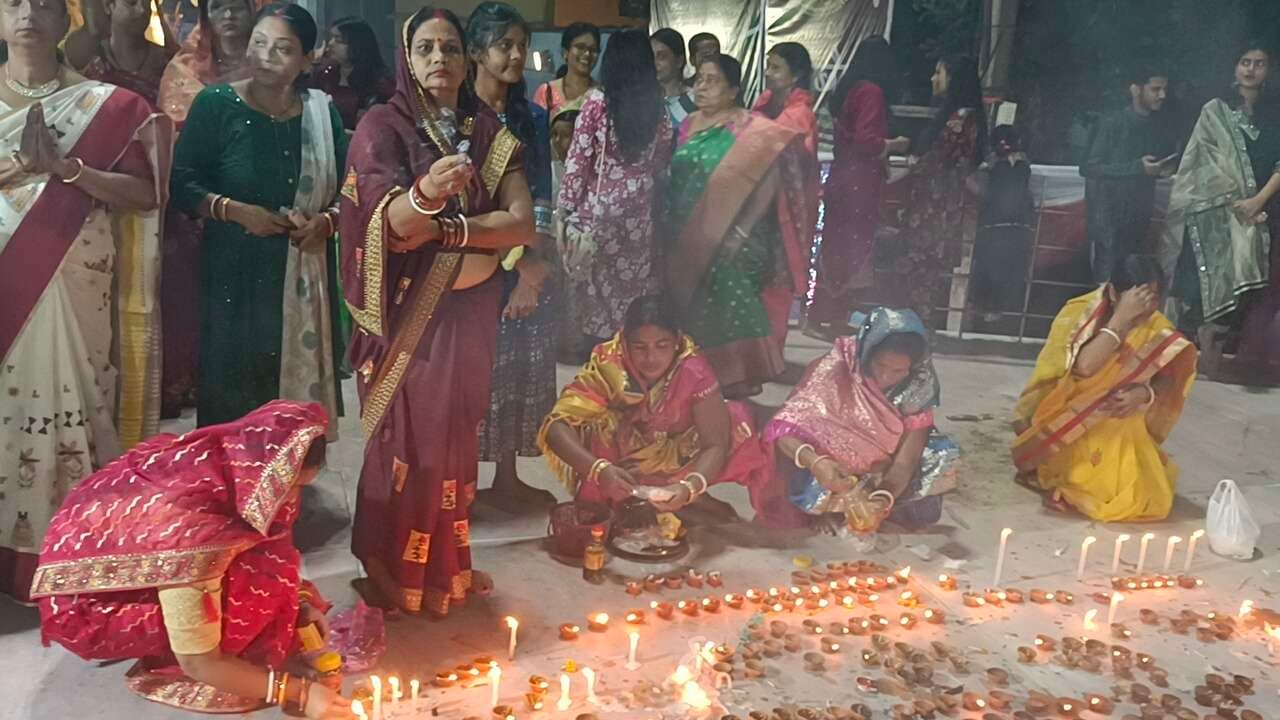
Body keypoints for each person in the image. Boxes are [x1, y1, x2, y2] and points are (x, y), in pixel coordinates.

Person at [341, 6, 534, 616]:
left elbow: (520, 224)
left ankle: (446, 564)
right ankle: (388, 566)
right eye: (425, 48)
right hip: (411, 325)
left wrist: (448, 231)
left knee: (455, 440)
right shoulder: (382, 127)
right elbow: (390, 227)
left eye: (450, 48)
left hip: (470, 319)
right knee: (410, 445)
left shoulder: (491, 134)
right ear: (407, 57)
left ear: (467, 57)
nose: (440, 60)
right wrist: (425, 195)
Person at [33, 401, 351, 718]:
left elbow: (275, 550)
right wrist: (299, 692)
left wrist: (299, 602)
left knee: (263, 563)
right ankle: (172, 662)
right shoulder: (192, 539)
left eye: (302, 487)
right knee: (240, 605)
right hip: (88, 601)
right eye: (292, 487)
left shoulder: (241, 467)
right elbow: (199, 663)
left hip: (136, 543)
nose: (294, 499)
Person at [0, 0, 167, 603]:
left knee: (78, 395)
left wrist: (67, 169)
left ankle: (72, 553)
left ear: (66, 17)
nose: (28, 14)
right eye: (14, 2)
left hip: (76, 278)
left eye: (43, 3)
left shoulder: (111, 106)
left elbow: (145, 195)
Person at [169, 3, 347, 432]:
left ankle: (286, 483)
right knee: (233, 392)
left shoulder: (323, 114)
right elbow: (181, 184)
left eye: (283, 48)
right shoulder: (216, 105)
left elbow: (349, 192)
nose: (266, 56)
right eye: (260, 43)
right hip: (234, 275)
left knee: (286, 401)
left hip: (303, 269)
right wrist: (235, 211)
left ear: (307, 59)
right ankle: (230, 486)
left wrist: (325, 223)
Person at [665, 53, 813, 398]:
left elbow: (769, 182)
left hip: (736, 236)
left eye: (711, 80)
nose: (701, 86)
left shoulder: (751, 127)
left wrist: (741, 231)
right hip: (687, 233)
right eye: (698, 79)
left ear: (733, 89)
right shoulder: (687, 124)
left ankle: (738, 376)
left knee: (732, 306)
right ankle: (698, 378)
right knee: (692, 308)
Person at [539, 296, 769, 514]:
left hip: (673, 448)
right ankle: (612, 500)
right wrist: (598, 470)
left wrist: (690, 487)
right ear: (625, 342)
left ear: (677, 341)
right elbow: (557, 427)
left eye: (662, 345)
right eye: (640, 347)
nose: (651, 358)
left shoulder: (693, 371)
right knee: (601, 424)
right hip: (619, 454)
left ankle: (685, 496)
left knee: (735, 420)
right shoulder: (610, 366)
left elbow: (715, 444)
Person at [1013, 256, 1197, 522]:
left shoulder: (1156, 327)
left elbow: (1167, 377)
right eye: (1139, 298)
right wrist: (1120, 321)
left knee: (1151, 498)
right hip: (1067, 420)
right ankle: (1063, 484)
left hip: (1120, 423)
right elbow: (1084, 368)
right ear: (1112, 292)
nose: (1146, 308)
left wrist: (1144, 394)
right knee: (1103, 490)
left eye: (1153, 298)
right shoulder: (1079, 314)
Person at [467, 1, 559, 510]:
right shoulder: (456, 115)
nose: (518, 54)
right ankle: (460, 480)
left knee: (522, 361)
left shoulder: (532, 117)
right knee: (475, 368)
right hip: (470, 258)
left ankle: (506, 476)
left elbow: (541, 196)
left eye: (522, 45)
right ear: (478, 51)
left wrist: (531, 269)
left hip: (525, 259)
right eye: (505, 45)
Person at [156, 0, 263, 419]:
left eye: (238, 6)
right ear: (206, 17)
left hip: (266, 203)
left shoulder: (272, 63)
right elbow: (174, 141)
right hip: (198, 209)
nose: (230, 16)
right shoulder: (184, 70)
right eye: (219, 7)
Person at [763, 307, 960, 533]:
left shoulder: (919, 384)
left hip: (882, 468)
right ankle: (826, 511)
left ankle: (878, 512)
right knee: (791, 455)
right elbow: (783, 429)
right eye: (881, 365)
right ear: (867, 352)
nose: (886, 377)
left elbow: (907, 460)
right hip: (833, 468)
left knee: (941, 455)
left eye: (898, 371)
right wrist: (816, 464)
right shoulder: (837, 366)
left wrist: (883, 498)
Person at [1165, 43, 1280, 384]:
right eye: (1245, 62)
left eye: (1259, 64)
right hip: (1211, 219)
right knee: (1194, 291)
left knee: (1236, 298)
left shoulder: (1275, 114)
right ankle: (1173, 372)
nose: (1250, 69)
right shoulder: (1214, 111)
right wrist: (1236, 202)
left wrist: (1258, 201)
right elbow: (1201, 163)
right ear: (1234, 67)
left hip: (1258, 217)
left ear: (1269, 70)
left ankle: (1212, 371)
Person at [558, 29, 672, 356]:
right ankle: (630, 355)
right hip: (639, 215)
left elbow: (578, 161)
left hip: (598, 213)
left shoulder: (597, 102)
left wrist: (564, 209)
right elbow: (662, 158)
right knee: (633, 290)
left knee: (595, 295)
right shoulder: (658, 107)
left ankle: (596, 359)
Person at [806, 36, 909, 338]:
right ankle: (829, 316)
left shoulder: (850, 90)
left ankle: (825, 317)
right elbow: (867, 141)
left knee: (835, 247)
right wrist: (894, 144)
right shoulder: (872, 92)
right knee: (852, 250)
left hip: (842, 177)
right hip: (859, 183)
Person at [893, 54, 986, 328]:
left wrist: (912, 160)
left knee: (921, 272)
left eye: (939, 72)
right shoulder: (968, 117)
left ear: (953, 79)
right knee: (926, 273)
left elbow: (936, 160)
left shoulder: (960, 117)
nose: (934, 78)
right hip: (942, 207)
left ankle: (913, 331)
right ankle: (915, 328)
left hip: (934, 209)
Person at [751, 41, 820, 350]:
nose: (768, 73)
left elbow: (794, 164)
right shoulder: (766, 106)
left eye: (776, 67)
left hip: (785, 215)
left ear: (795, 76)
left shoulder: (800, 115)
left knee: (777, 280)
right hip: (758, 209)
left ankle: (772, 350)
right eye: (768, 66)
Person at [1083, 65, 1175, 284]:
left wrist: (1160, 169)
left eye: (1164, 89)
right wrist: (1137, 168)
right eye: (1155, 89)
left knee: (1132, 279)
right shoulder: (1111, 122)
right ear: (1135, 89)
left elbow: (1147, 166)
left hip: (1139, 215)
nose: (1162, 95)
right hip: (1109, 216)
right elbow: (1088, 167)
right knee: (1106, 282)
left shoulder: (1157, 125)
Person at [970, 124, 1033, 322]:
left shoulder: (990, 164)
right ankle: (1000, 311)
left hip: (993, 224)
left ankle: (985, 307)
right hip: (1019, 226)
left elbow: (981, 190)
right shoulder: (1024, 164)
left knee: (988, 268)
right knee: (1008, 271)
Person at [64, 0, 179, 106]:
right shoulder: (89, 57)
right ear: (109, 6)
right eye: (132, 3)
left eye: (146, 4)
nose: (141, 10)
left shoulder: (166, 61)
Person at [311, 16, 393, 132]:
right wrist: (312, 63)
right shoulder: (325, 73)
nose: (330, 44)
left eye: (338, 40)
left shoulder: (379, 83)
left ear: (356, 45)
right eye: (331, 38)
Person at [532, 22, 598, 117]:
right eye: (580, 47)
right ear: (565, 52)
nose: (587, 54)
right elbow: (537, 129)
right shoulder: (547, 92)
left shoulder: (602, 94)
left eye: (593, 49)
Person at [652, 28, 695, 127]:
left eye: (662, 56)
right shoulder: (644, 101)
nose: (654, 63)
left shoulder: (695, 100)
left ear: (679, 61)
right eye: (650, 57)